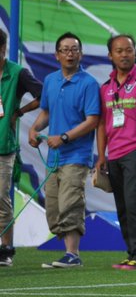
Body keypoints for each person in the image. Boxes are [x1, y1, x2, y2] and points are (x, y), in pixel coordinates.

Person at [28, 32, 100, 269]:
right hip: (54, 156)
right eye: (65, 50)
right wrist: (34, 129)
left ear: (81, 54)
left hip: (77, 154)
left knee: (70, 202)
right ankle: (67, 252)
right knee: (53, 207)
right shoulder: (50, 80)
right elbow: (46, 112)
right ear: (56, 55)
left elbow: (92, 120)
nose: (70, 54)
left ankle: (73, 254)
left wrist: (65, 137)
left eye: (74, 49)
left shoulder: (89, 83)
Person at [95, 34, 136, 270]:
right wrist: (101, 155)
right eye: (119, 51)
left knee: (134, 202)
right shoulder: (106, 87)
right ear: (110, 55)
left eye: (129, 50)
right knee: (122, 205)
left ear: (135, 53)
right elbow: (102, 124)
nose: (124, 54)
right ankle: (132, 253)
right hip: (114, 154)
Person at [0, 29, 42, 267]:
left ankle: (6, 248)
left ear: (3, 49)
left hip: (4, 146)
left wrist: (19, 112)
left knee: (1, 198)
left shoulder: (17, 73)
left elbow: (43, 95)